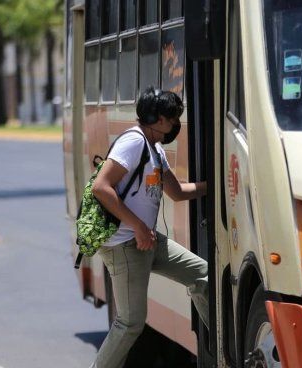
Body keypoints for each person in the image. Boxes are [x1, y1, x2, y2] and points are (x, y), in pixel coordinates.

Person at [90, 87, 208, 368]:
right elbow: (101, 188)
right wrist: (139, 227)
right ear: (157, 118)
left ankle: (220, 350)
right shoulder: (133, 143)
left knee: (202, 275)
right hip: (125, 244)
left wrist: (213, 187)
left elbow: (177, 192)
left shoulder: (155, 148)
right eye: (172, 117)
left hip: (147, 242)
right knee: (130, 323)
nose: (176, 123)